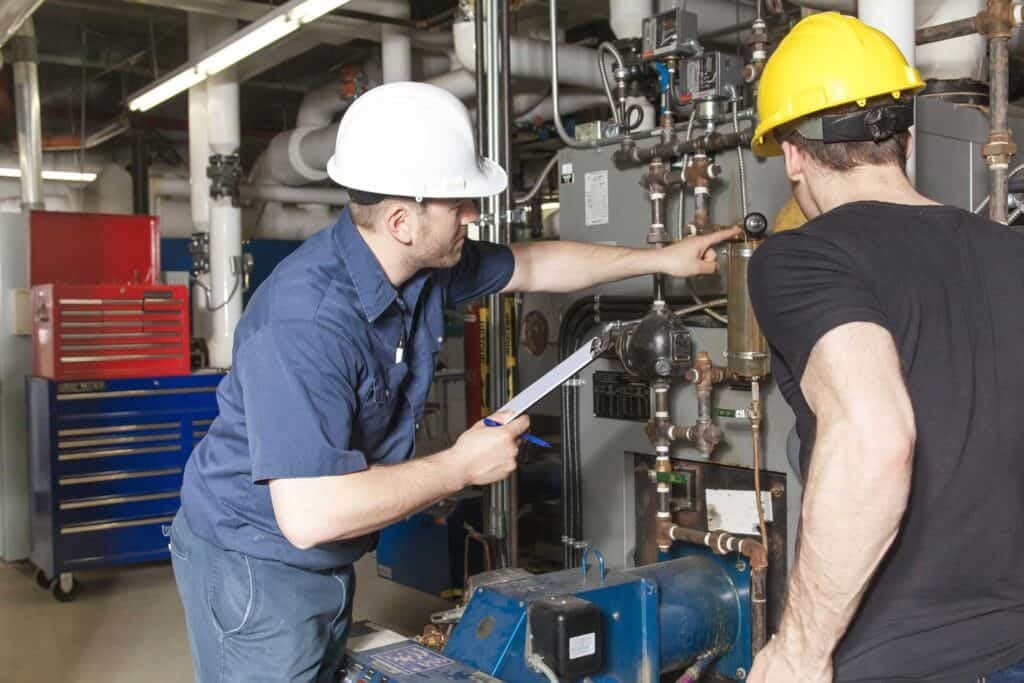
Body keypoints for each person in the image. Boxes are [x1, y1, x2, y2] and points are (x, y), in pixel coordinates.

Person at [168, 81, 738, 682]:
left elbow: (535, 263)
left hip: (317, 557)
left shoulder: (418, 266)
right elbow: (312, 515)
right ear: (400, 220)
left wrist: (661, 259)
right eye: (457, 204)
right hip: (252, 561)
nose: (473, 214)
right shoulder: (305, 323)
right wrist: (461, 465)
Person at [745, 12, 1024, 683]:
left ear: (791, 154)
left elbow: (875, 438)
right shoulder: (1012, 251)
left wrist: (798, 651)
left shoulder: (800, 259)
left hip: (897, 662)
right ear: (905, 140)